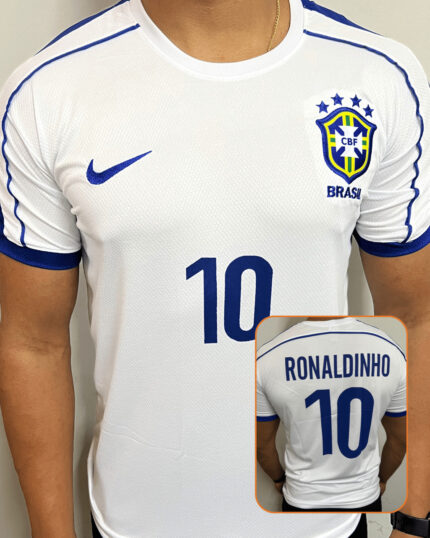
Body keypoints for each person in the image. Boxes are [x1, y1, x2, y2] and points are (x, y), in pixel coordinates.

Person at [0, 1, 429, 537]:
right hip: (134, 519)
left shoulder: (376, 74)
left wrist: (416, 518)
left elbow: (416, 315)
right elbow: (32, 342)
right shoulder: (49, 89)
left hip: (325, 524)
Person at [256, 317, 407, 533]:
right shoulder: (389, 351)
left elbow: (262, 446)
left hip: (302, 498)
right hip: (362, 496)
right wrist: (382, 479)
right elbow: (400, 439)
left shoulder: (267, 357)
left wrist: (278, 479)